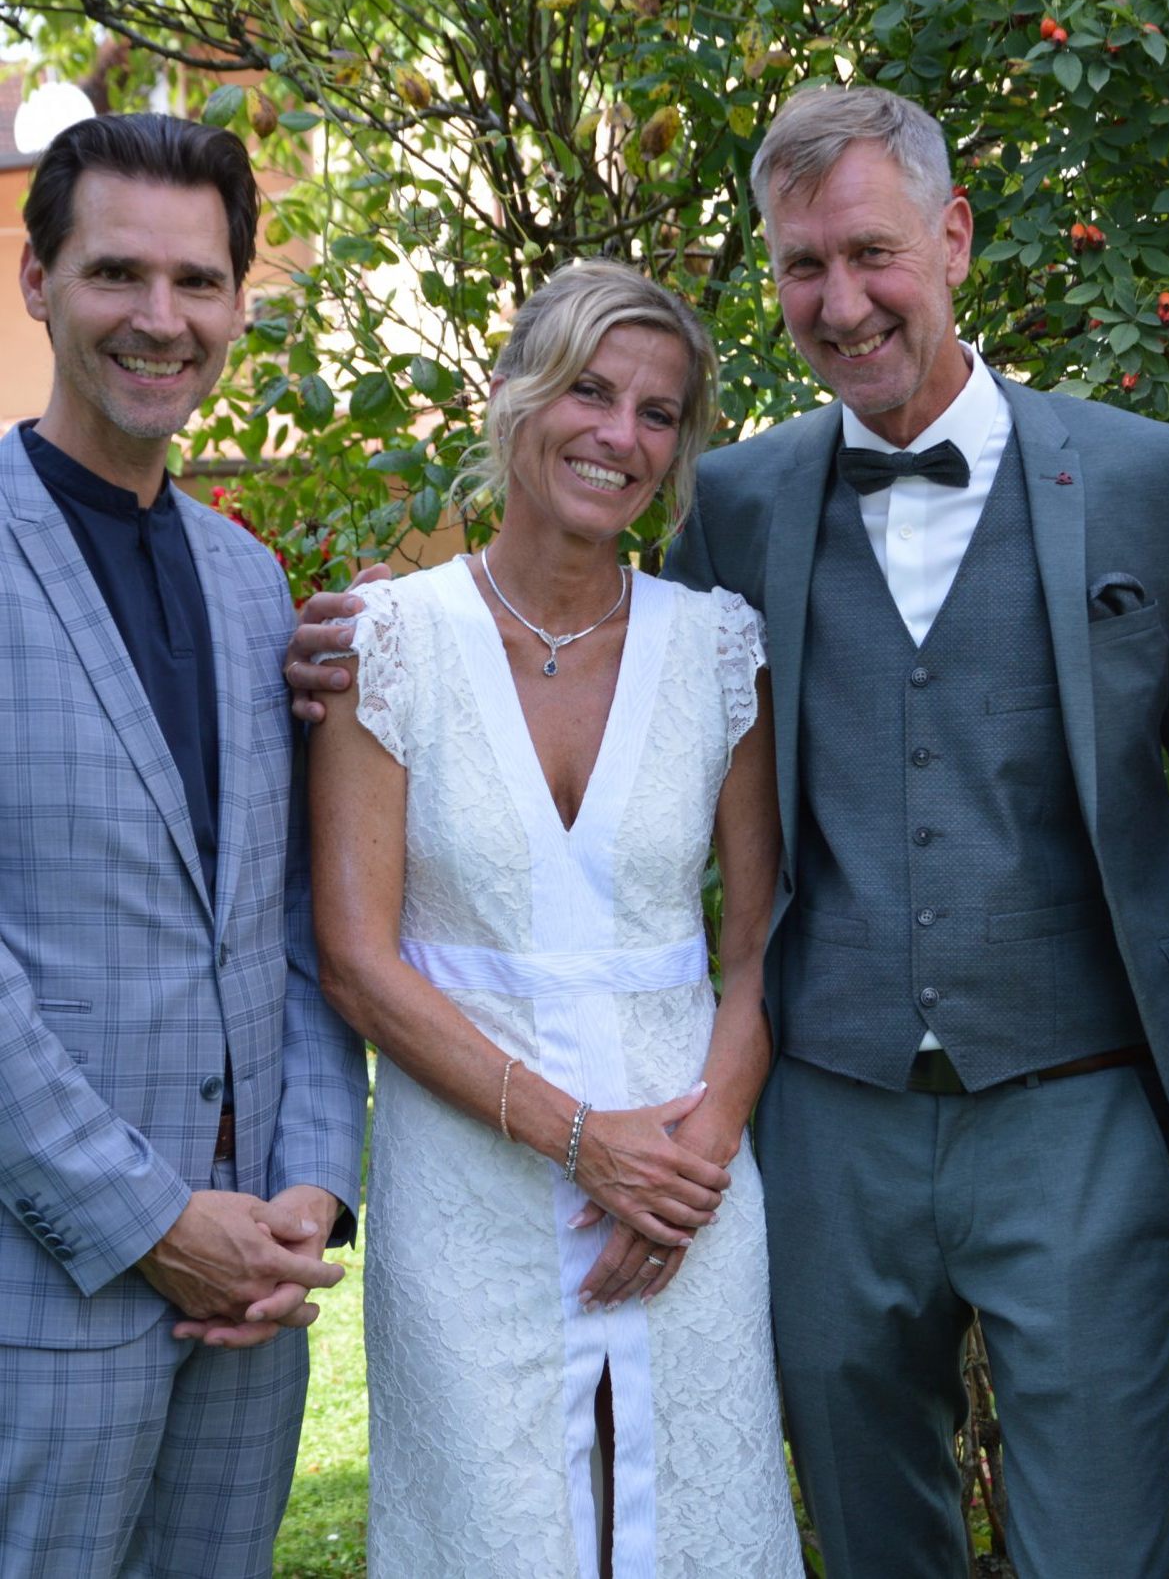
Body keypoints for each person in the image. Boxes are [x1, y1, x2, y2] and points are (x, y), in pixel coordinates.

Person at [292, 87, 1169, 1577]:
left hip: (1073, 1101)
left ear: (951, 237)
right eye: (802, 265)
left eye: (870, 251)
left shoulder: (1139, 476)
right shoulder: (735, 504)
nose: (841, 298)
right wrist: (365, 641)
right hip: (825, 1121)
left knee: (1102, 1540)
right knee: (871, 1533)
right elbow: (596, 672)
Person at [306, 259, 800, 1577]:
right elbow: (356, 957)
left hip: (686, 1190)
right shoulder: (389, 640)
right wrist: (582, 1140)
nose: (619, 435)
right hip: (469, 1180)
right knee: (489, 1530)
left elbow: (755, 943)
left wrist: (688, 1161)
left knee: (696, 1523)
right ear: (515, 396)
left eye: (657, 412)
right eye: (589, 390)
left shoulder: (716, 646)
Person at [0, 113, 369, 1578]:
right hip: (44, 1286)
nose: (162, 320)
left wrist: (312, 1191)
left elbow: (285, 915)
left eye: (198, 282)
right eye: (116, 275)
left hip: (255, 1304)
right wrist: (150, 1217)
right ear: (38, 281)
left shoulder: (249, 576)